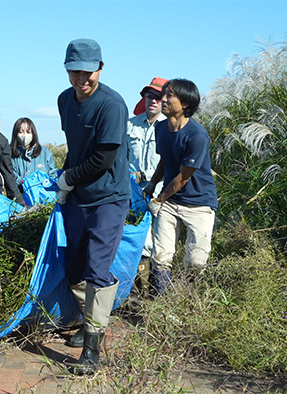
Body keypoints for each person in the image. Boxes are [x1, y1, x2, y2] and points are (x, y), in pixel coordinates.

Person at [56, 38, 131, 375]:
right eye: (75, 71)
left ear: (100, 68)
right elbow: (76, 147)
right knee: (74, 266)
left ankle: (91, 349)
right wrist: (65, 182)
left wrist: (69, 176)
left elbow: (103, 158)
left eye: (88, 72)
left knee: (97, 269)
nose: (81, 79)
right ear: (68, 69)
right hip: (78, 199)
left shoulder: (112, 105)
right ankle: (90, 323)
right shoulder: (64, 101)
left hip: (109, 198)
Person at [145, 78, 218, 295]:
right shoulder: (160, 128)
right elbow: (165, 160)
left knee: (195, 260)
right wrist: (153, 183)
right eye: (163, 94)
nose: (162, 99)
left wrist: (158, 200)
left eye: (169, 96)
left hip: (199, 203)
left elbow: (183, 177)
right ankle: (164, 301)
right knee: (161, 256)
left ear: (185, 104)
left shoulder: (197, 135)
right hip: (170, 201)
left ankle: (187, 301)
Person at [126, 77, 168, 296]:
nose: (153, 100)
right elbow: (118, 158)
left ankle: (153, 293)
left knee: (157, 242)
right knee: (135, 239)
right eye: (149, 95)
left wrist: (149, 177)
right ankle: (135, 293)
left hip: (160, 193)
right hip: (132, 193)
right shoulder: (129, 125)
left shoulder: (169, 127)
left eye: (158, 97)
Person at [10, 117, 58, 194]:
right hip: (21, 198)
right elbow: (11, 177)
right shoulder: (10, 155)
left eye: (28, 132)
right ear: (15, 134)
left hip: (45, 198)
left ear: (33, 133)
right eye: (21, 132)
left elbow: (53, 175)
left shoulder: (45, 153)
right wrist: (26, 184)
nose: (25, 135)